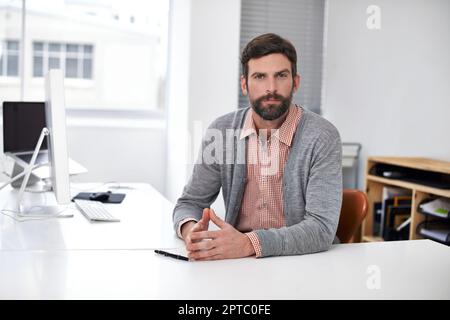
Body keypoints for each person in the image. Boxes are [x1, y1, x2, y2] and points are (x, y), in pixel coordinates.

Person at [173, 33, 342, 261]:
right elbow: (190, 203)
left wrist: (249, 243)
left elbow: (321, 229)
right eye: (260, 76)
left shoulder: (322, 136)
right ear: (244, 84)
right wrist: (191, 231)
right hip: (240, 262)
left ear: (295, 82)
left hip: (302, 260)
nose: (271, 88)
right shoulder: (223, 131)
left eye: (281, 75)